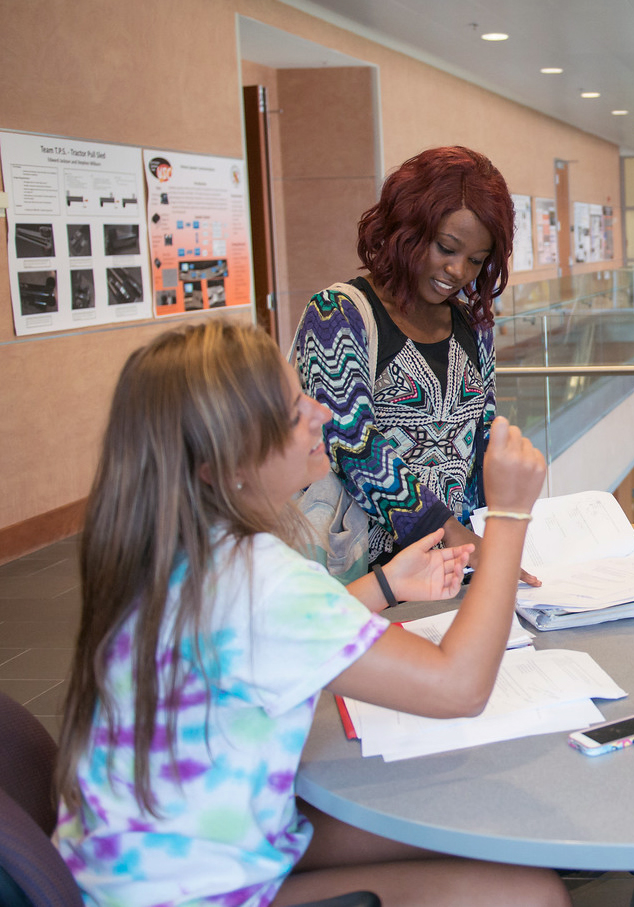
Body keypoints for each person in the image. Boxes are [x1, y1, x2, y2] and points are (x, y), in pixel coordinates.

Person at [53, 320, 568, 907]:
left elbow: (259, 635)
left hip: (130, 867)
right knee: (528, 893)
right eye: (294, 407)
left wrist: (383, 585)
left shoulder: (174, 550)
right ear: (226, 462)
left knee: (471, 817)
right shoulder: (258, 576)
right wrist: (508, 515)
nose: (321, 412)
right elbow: (459, 687)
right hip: (195, 894)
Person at [293, 146, 537, 585]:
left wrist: (497, 534)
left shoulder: (472, 323)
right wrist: (452, 534)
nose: (458, 270)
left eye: (477, 260)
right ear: (406, 227)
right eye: (446, 248)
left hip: (455, 567)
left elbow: (481, 435)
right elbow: (350, 442)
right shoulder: (337, 314)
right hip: (362, 573)